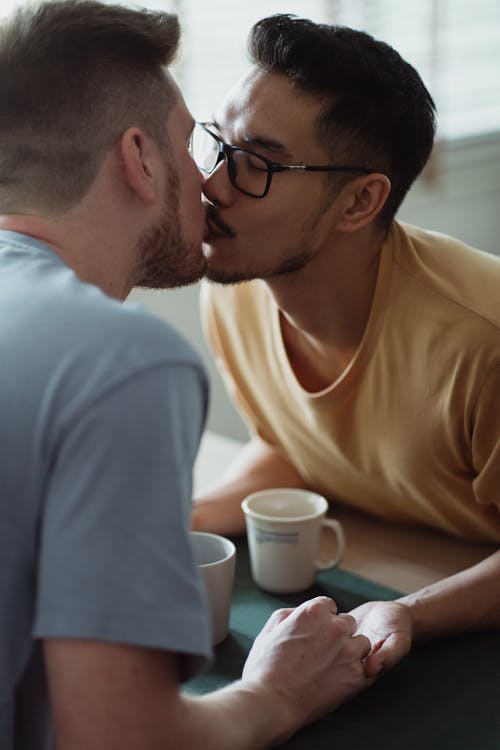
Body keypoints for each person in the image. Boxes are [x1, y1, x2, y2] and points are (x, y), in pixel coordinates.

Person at [0, 3, 376, 749]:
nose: (212, 187)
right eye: (192, 145)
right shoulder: (123, 361)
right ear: (140, 160)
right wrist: (277, 691)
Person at [192, 14, 500, 676]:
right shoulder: (233, 289)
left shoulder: (483, 341)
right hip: (392, 551)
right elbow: (295, 445)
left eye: (257, 164)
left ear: (359, 202)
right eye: (217, 143)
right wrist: (183, 521)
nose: (212, 186)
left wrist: (411, 612)